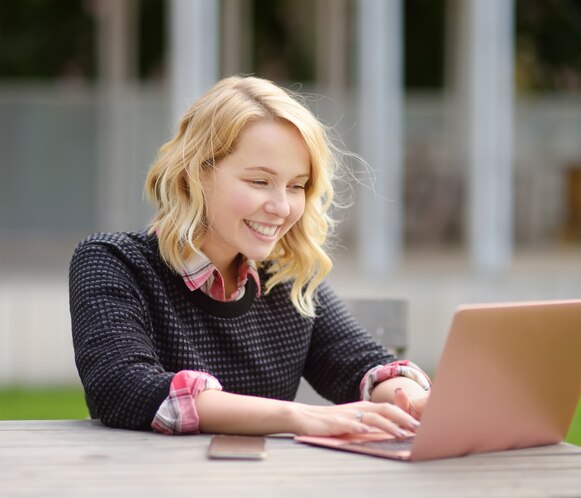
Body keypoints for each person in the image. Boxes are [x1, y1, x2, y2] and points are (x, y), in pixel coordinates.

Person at [69, 75, 431, 437]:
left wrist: (413, 400)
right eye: (259, 181)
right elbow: (123, 386)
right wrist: (299, 417)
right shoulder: (113, 261)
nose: (281, 207)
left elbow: (362, 364)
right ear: (195, 173)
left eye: (296, 186)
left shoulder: (285, 277)